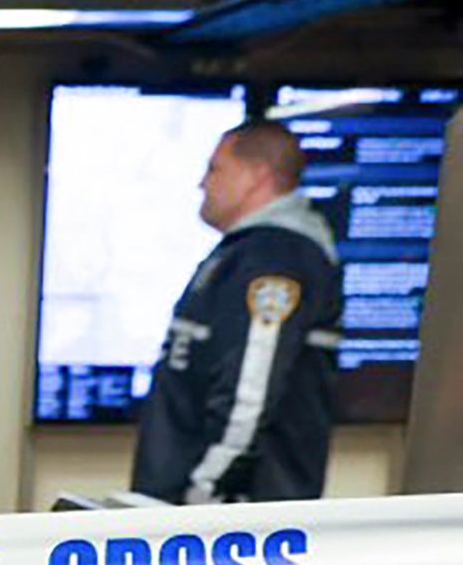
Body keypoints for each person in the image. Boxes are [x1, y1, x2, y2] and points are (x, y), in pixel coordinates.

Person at [131, 120, 342, 503]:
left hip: (234, 516)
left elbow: (251, 386)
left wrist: (204, 492)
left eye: (215, 169)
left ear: (255, 177)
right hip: (200, 507)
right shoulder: (245, 252)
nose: (202, 184)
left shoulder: (277, 256)